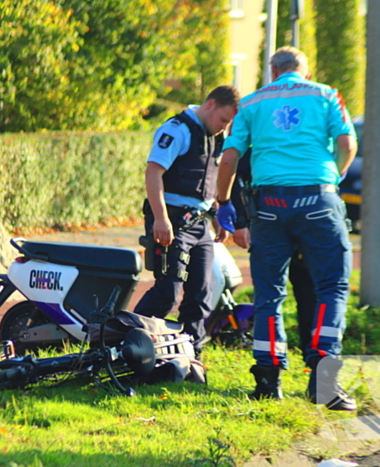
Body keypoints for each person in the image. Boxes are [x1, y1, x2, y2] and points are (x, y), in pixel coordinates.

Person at [215, 46, 357, 410]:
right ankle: (324, 382)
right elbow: (346, 143)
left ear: (273, 70)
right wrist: (333, 177)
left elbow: (229, 157)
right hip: (318, 200)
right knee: (331, 287)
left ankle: (268, 381)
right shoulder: (327, 95)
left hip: (270, 206)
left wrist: (224, 201)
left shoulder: (250, 103)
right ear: (303, 72)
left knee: (269, 294)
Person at [134, 85, 240, 357]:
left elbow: (208, 181)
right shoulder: (176, 130)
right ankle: (126, 342)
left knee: (201, 294)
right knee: (167, 293)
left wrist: (216, 216)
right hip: (172, 221)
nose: (224, 128)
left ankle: (190, 357)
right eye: (223, 120)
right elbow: (153, 173)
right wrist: (160, 219)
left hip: (200, 224)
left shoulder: (214, 136)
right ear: (210, 105)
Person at [229, 149, 317, 362]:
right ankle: (290, 364)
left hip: (283, 223)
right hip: (279, 223)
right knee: (274, 296)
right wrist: (240, 221)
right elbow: (234, 173)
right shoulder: (265, 142)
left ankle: (283, 365)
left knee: (303, 295)